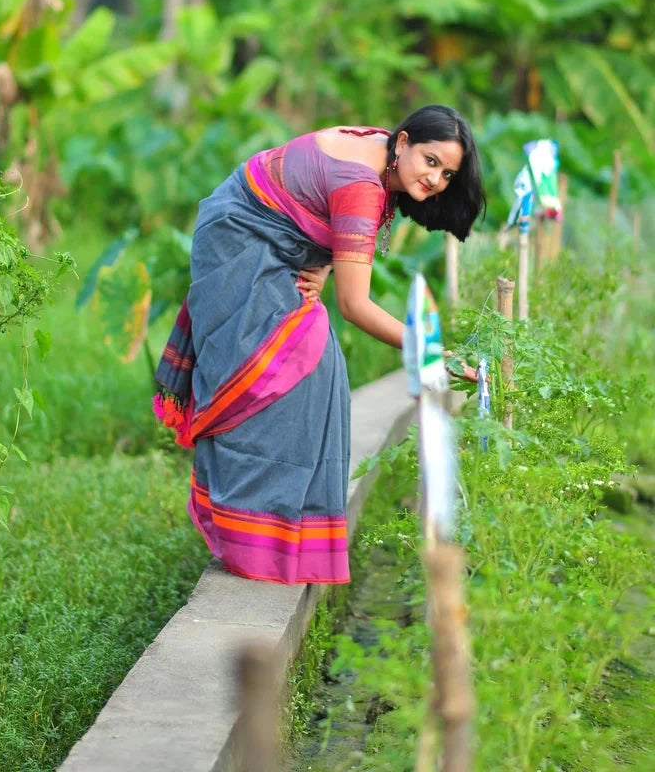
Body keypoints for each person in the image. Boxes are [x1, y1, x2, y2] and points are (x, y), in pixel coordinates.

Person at [153, 105, 485, 585]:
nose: (435, 179)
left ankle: (277, 530)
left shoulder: (380, 149)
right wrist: (432, 353)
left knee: (315, 370)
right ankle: (251, 532)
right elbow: (355, 305)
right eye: (430, 161)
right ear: (403, 141)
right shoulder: (363, 187)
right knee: (282, 367)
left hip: (265, 231)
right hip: (240, 240)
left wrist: (325, 260)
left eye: (447, 173)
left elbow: (316, 198)